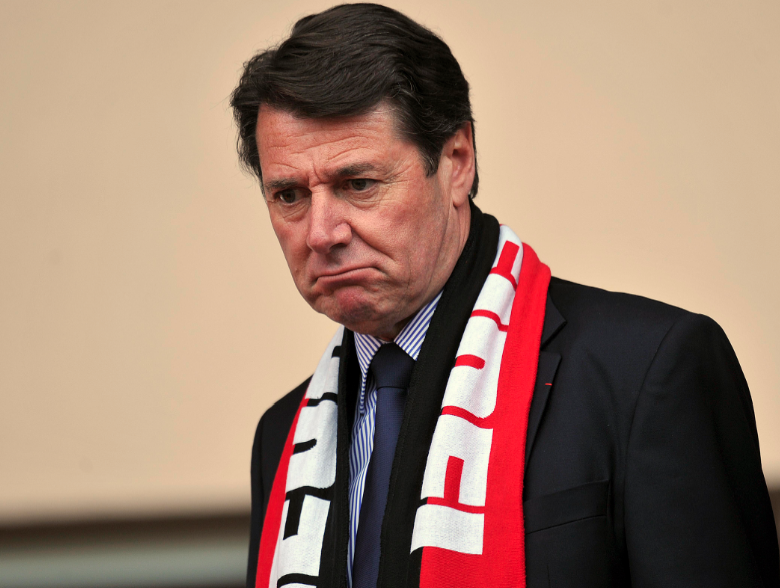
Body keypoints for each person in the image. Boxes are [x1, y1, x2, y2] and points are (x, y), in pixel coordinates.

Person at [230, 4, 779, 588]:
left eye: (358, 184)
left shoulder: (647, 372)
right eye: (288, 196)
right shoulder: (282, 437)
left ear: (457, 163)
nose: (321, 233)